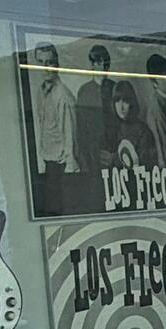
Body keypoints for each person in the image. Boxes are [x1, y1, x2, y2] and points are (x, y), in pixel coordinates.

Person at [30, 42, 79, 214]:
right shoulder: (41, 92)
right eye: (41, 63)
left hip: (61, 167)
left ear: (56, 64)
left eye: (49, 62)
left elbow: (70, 134)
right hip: (48, 164)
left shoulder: (63, 96)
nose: (46, 68)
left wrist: (69, 171)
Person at [75, 44, 118, 174]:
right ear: (92, 64)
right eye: (99, 63)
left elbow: (123, 123)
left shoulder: (116, 88)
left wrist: (116, 155)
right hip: (93, 155)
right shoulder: (85, 91)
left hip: (115, 152)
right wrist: (85, 161)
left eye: (106, 63)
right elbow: (81, 130)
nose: (104, 67)